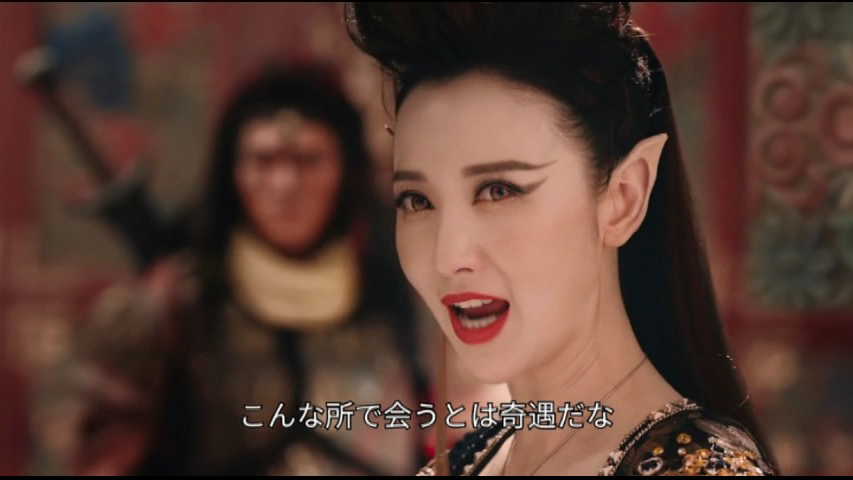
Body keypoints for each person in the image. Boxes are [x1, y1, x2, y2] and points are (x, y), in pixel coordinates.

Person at [344, 2, 778, 476]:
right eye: (417, 200)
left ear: (625, 197)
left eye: (498, 191)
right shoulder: (464, 464)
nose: (448, 257)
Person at [30, 64, 430, 476]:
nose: (284, 184)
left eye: (308, 160)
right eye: (263, 160)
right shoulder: (179, 300)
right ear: (233, 172)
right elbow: (81, 437)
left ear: (345, 171)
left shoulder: (396, 290)